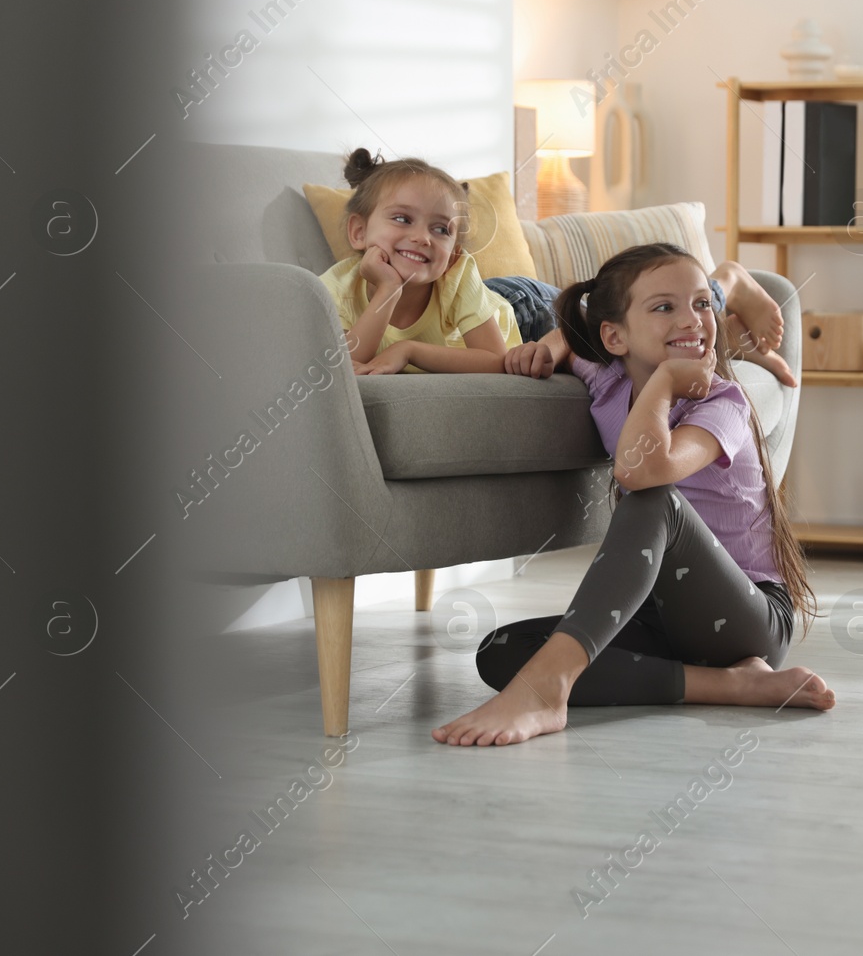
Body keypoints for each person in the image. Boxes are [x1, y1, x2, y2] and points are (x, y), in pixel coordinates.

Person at [433, 243, 835, 748]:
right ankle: (731, 684)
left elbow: (644, 471)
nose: (692, 320)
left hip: (746, 619)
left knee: (654, 498)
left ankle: (549, 688)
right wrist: (553, 346)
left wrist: (667, 378)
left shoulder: (723, 402)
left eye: (702, 304)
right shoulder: (606, 378)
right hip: (659, 615)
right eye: (665, 307)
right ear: (615, 336)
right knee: (501, 650)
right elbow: (577, 342)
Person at [318, 149, 796, 384]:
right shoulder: (335, 288)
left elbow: (496, 360)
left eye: (441, 229)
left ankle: (726, 282)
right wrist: (386, 294)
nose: (423, 238)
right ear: (359, 233)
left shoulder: (456, 276)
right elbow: (347, 365)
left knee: (621, 317)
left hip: (528, 313)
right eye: (403, 220)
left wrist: (408, 353)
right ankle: (726, 340)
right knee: (633, 350)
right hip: (514, 330)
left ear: (455, 249)